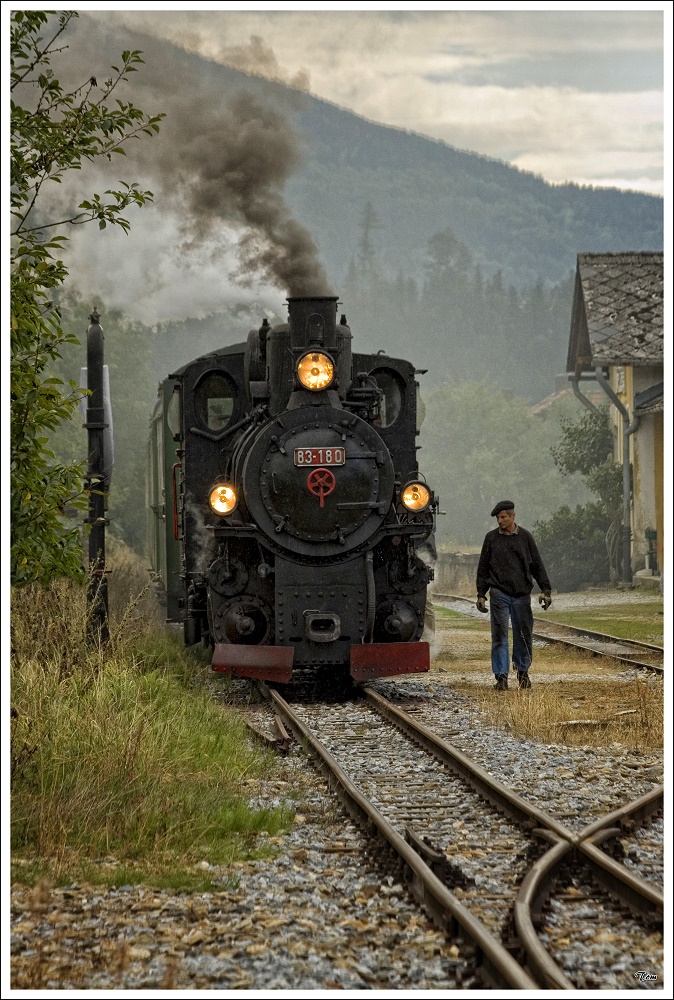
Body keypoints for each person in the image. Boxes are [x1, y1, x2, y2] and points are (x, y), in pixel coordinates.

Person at [476, 500, 552, 690]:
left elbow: (536, 565)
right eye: (498, 518)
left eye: (503, 517)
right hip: (499, 593)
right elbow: (483, 568)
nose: (500, 521)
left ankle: (523, 672)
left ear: (512, 516)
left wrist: (546, 590)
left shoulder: (525, 537)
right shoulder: (491, 539)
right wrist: (481, 594)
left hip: (521, 595)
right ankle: (501, 677)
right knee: (500, 635)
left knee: (523, 635)